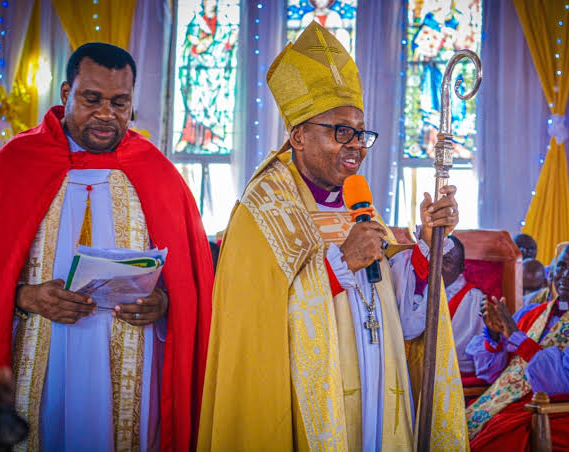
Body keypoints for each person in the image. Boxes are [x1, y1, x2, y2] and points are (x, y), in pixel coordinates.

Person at [198, 22, 469, 451]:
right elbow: (257, 324)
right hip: (305, 404)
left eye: (361, 133)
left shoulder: (356, 201)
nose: (356, 145)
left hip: (377, 383)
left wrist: (424, 248)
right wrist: (339, 264)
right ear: (298, 136)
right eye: (341, 131)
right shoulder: (261, 210)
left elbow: (392, 305)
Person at [0, 43, 214, 451]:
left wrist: (165, 305)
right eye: (91, 99)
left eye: (120, 102)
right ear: (66, 94)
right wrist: (24, 296)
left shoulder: (157, 172)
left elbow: (192, 288)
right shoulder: (11, 166)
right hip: (37, 352)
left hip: (132, 354)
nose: (105, 114)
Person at [465, 243, 569, 451]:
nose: (567, 275)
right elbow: (496, 372)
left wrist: (517, 336)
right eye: (561, 267)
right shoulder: (533, 313)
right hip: (515, 405)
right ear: (551, 272)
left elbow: (567, 382)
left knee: (493, 437)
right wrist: (495, 334)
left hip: (561, 414)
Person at [412, 234, 485, 374]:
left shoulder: (473, 298)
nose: (436, 266)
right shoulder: (421, 288)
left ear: (461, 267)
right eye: (434, 258)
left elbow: (466, 351)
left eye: (446, 261)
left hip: (451, 372)